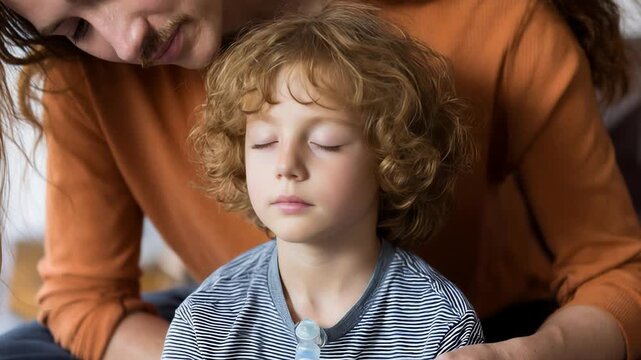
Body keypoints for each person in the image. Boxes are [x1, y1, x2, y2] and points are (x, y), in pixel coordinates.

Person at [0, 0, 638, 359]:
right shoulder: (88, 73)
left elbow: (619, 273)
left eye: (330, 140)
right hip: (254, 320)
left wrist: (522, 356)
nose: (125, 39)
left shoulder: (499, 20)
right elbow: (87, 300)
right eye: (76, 26)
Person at [162, 3, 483, 358]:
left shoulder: (440, 324)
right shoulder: (205, 320)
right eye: (265, 142)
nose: (287, 165)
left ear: (393, 158)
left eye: (325, 142)